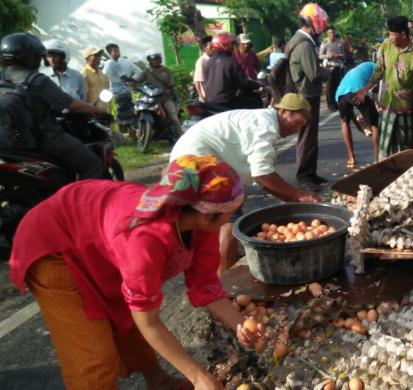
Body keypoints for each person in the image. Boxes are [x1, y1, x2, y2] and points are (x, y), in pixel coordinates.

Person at [9, 155, 259, 389]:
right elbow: (148, 323)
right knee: (94, 356)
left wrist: (240, 324)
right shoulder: (145, 240)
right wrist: (199, 377)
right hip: (54, 242)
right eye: (232, 208)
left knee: (127, 317)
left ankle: (157, 379)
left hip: (94, 236)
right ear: (206, 214)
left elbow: (205, 284)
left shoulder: (201, 222)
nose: (234, 213)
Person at [170, 93, 319, 274]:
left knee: (213, 220)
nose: (295, 130)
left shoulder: (261, 119)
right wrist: (299, 195)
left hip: (194, 161)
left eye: (301, 127)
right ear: (283, 111)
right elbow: (263, 174)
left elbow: (262, 176)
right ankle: (223, 280)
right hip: (197, 163)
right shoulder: (265, 125)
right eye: (296, 123)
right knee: (229, 223)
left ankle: (210, 273)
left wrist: (293, 201)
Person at [0, 33, 107, 179]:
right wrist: (98, 109)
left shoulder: (2, 78)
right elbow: (73, 105)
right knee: (93, 165)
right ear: (31, 56)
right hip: (46, 137)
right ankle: (87, 200)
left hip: (11, 141)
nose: (48, 59)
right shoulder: (37, 80)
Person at [355, 16, 413, 159]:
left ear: (403, 34)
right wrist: (365, 89)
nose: (390, 37)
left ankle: (404, 175)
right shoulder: (386, 45)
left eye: (393, 34)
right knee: (385, 145)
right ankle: (384, 172)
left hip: (405, 107)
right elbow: (378, 71)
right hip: (386, 104)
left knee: (404, 147)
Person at [288, 2, 330, 191]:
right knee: (307, 137)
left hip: (306, 95)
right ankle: (304, 175)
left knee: (311, 137)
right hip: (306, 96)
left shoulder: (300, 41)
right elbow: (314, 74)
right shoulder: (304, 44)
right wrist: (329, 71)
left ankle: (310, 173)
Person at [335, 62, 379, 166]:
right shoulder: (377, 67)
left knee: (344, 122)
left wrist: (360, 126)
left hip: (340, 94)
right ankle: (378, 159)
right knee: (375, 123)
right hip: (358, 90)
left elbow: (352, 115)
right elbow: (378, 87)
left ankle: (351, 158)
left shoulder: (361, 68)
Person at [203, 32, 262, 110]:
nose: (233, 47)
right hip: (226, 102)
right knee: (256, 103)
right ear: (225, 45)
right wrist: (257, 85)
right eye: (231, 44)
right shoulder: (230, 62)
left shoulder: (209, 62)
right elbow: (243, 83)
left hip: (209, 102)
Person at [135, 49, 182, 135]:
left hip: (165, 99)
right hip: (151, 99)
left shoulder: (166, 71)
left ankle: (181, 136)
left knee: (174, 118)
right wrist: (131, 83)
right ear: (149, 60)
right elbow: (137, 81)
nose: (156, 60)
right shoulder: (146, 72)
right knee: (136, 111)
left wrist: (169, 90)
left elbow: (171, 85)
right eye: (153, 59)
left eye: (157, 58)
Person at [103, 43, 141, 135]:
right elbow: (124, 78)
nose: (117, 53)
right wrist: (133, 81)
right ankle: (132, 134)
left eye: (118, 51)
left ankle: (122, 134)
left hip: (113, 92)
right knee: (127, 113)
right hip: (120, 92)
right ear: (109, 53)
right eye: (115, 52)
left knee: (120, 113)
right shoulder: (114, 63)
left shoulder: (108, 63)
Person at [320, 27, 345, 111]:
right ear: (327, 34)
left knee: (337, 86)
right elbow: (320, 55)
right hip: (328, 67)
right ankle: (330, 105)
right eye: (330, 33)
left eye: (333, 32)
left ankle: (336, 103)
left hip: (337, 66)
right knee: (329, 87)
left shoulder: (339, 43)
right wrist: (328, 56)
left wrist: (339, 56)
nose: (332, 34)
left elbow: (343, 55)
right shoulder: (325, 43)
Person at [80, 46, 110, 111]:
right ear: (87, 58)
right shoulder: (84, 73)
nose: (98, 58)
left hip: (106, 111)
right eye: (95, 55)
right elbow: (82, 95)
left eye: (99, 55)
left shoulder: (102, 74)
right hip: (93, 113)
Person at [193, 35, 213, 102]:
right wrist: (201, 96)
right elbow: (197, 81)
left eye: (214, 47)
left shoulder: (215, 59)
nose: (213, 49)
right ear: (205, 48)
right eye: (211, 47)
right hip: (206, 97)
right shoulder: (201, 61)